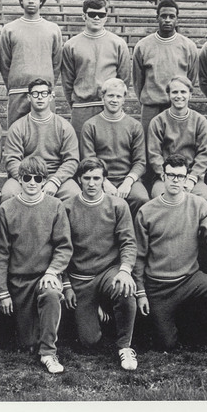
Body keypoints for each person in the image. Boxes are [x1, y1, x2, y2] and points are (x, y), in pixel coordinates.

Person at [134, 154, 207, 379]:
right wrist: (141, 291)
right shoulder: (147, 211)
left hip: (191, 280)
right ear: (163, 176)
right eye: (171, 175)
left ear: (187, 179)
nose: (176, 180)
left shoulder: (199, 204)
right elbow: (138, 255)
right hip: (158, 286)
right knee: (167, 344)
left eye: (180, 176)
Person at [0, 156, 72, 374]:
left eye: (37, 178)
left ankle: (49, 353)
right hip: (19, 280)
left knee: (51, 293)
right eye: (26, 177)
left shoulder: (55, 206)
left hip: (44, 276)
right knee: (26, 343)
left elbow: (63, 247)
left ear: (44, 181)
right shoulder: (6, 208)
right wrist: (2, 292)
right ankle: (36, 336)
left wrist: (52, 272)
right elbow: (1, 253)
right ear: (19, 179)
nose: (32, 182)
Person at [63, 158, 139, 371]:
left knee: (125, 288)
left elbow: (128, 243)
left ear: (104, 180)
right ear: (79, 179)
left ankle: (125, 346)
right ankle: (95, 307)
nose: (91, 183)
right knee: (90, 341)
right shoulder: (67, 207)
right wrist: (66, 284)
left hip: (108, 272)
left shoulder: (118, 205)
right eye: (87, 178)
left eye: (97, 178)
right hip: (80, 278)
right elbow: (58, 248)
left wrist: (124, 271)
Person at [0, 78, 80, 204]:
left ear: (51, 96)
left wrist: (55, 181)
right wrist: (27, 180)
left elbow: (71, 160)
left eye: (44, 94)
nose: (40, 97)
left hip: (54, 175)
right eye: (35, 94)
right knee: (8, 194)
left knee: (74, 194)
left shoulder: (64, 126)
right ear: (29, 97)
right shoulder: (18, 127)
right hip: (25, 175)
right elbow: (12, 160)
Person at [61, 0, 131, 138]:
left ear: (106, 17)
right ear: (84, 16)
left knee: (108, 150)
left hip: (108, 106)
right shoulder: (71, 45)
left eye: (101, 14)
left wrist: (113, 100)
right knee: (82, 153)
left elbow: (124, 79)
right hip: (81, 108)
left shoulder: (118, 43)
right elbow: (67, 81)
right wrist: (76, 102)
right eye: (92, 14)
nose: (97, 18)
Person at [132, 0, 199, 143]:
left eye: (171, 16)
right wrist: (149, 99)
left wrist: (180, 97)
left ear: (177, 19)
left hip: (177, 105)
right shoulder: (143, 46)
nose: (167, 20)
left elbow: (191, 78)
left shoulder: (188, 46)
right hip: (151, 107)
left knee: (177, 146)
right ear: (157, 18)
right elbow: (138, 80)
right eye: (163, 16)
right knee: (149, 147)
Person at [0, 0, 62, 126]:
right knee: (16, 135)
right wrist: (15, 85)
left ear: (41, 0)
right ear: (21, 0)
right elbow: (5, 63)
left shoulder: (53, 29)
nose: (31, 1)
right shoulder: (9, 29)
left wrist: (46, 88)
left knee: (46, 136)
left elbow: (57, 63)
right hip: (18, 93)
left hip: (44, 94)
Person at [80, 78, 149, 215]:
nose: (114, 100)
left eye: (119, 96)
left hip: (127, 178)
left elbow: (140, 161)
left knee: (141, 199)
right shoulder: (90, 125)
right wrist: (104, 182)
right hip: (99, 178)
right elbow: (89, 161)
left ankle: (132, 235)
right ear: (103, 98)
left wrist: (128, 182)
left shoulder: (134, 126)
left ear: (124, 100)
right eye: (110, 95)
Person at [148, 76, 207, 205]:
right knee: (160, 200)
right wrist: (167, 176)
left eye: (183, 92)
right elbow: (154, 154)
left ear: (190, 95)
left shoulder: (200, 121)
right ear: (168, 95)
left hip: (191, 176)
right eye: (175, 92)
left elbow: (204, 154)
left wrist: (191, 179)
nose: (179, 96)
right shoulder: (158, 121)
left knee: (205, 200)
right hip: (166, 176)